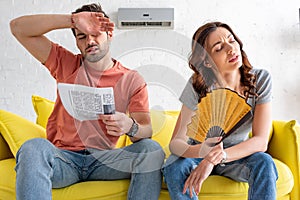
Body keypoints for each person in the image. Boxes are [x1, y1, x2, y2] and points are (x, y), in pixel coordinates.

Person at [10, 3, 165, 200]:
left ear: (109, 33)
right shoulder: (65, 63)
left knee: (152, 150)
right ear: (76, 41)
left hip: (105, 161)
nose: (90, 41)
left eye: (95, 33)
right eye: (82, 36)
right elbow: (18, 28)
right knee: (33, 148)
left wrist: (130, 126)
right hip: (63, 159)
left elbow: (146, 131)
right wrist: (73, 20)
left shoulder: (131, 80)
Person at [162, 21, 278, 200]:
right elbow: (176, 143)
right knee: (173, 165)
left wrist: (215, 158)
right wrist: (203, 153)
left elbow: (260, 141)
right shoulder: (197, 86)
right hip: (198, 152)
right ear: (206, 62)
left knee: (264, 162)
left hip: (236, 155)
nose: (231, 49)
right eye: (219, 48)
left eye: (232, 41)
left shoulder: (260, 80)